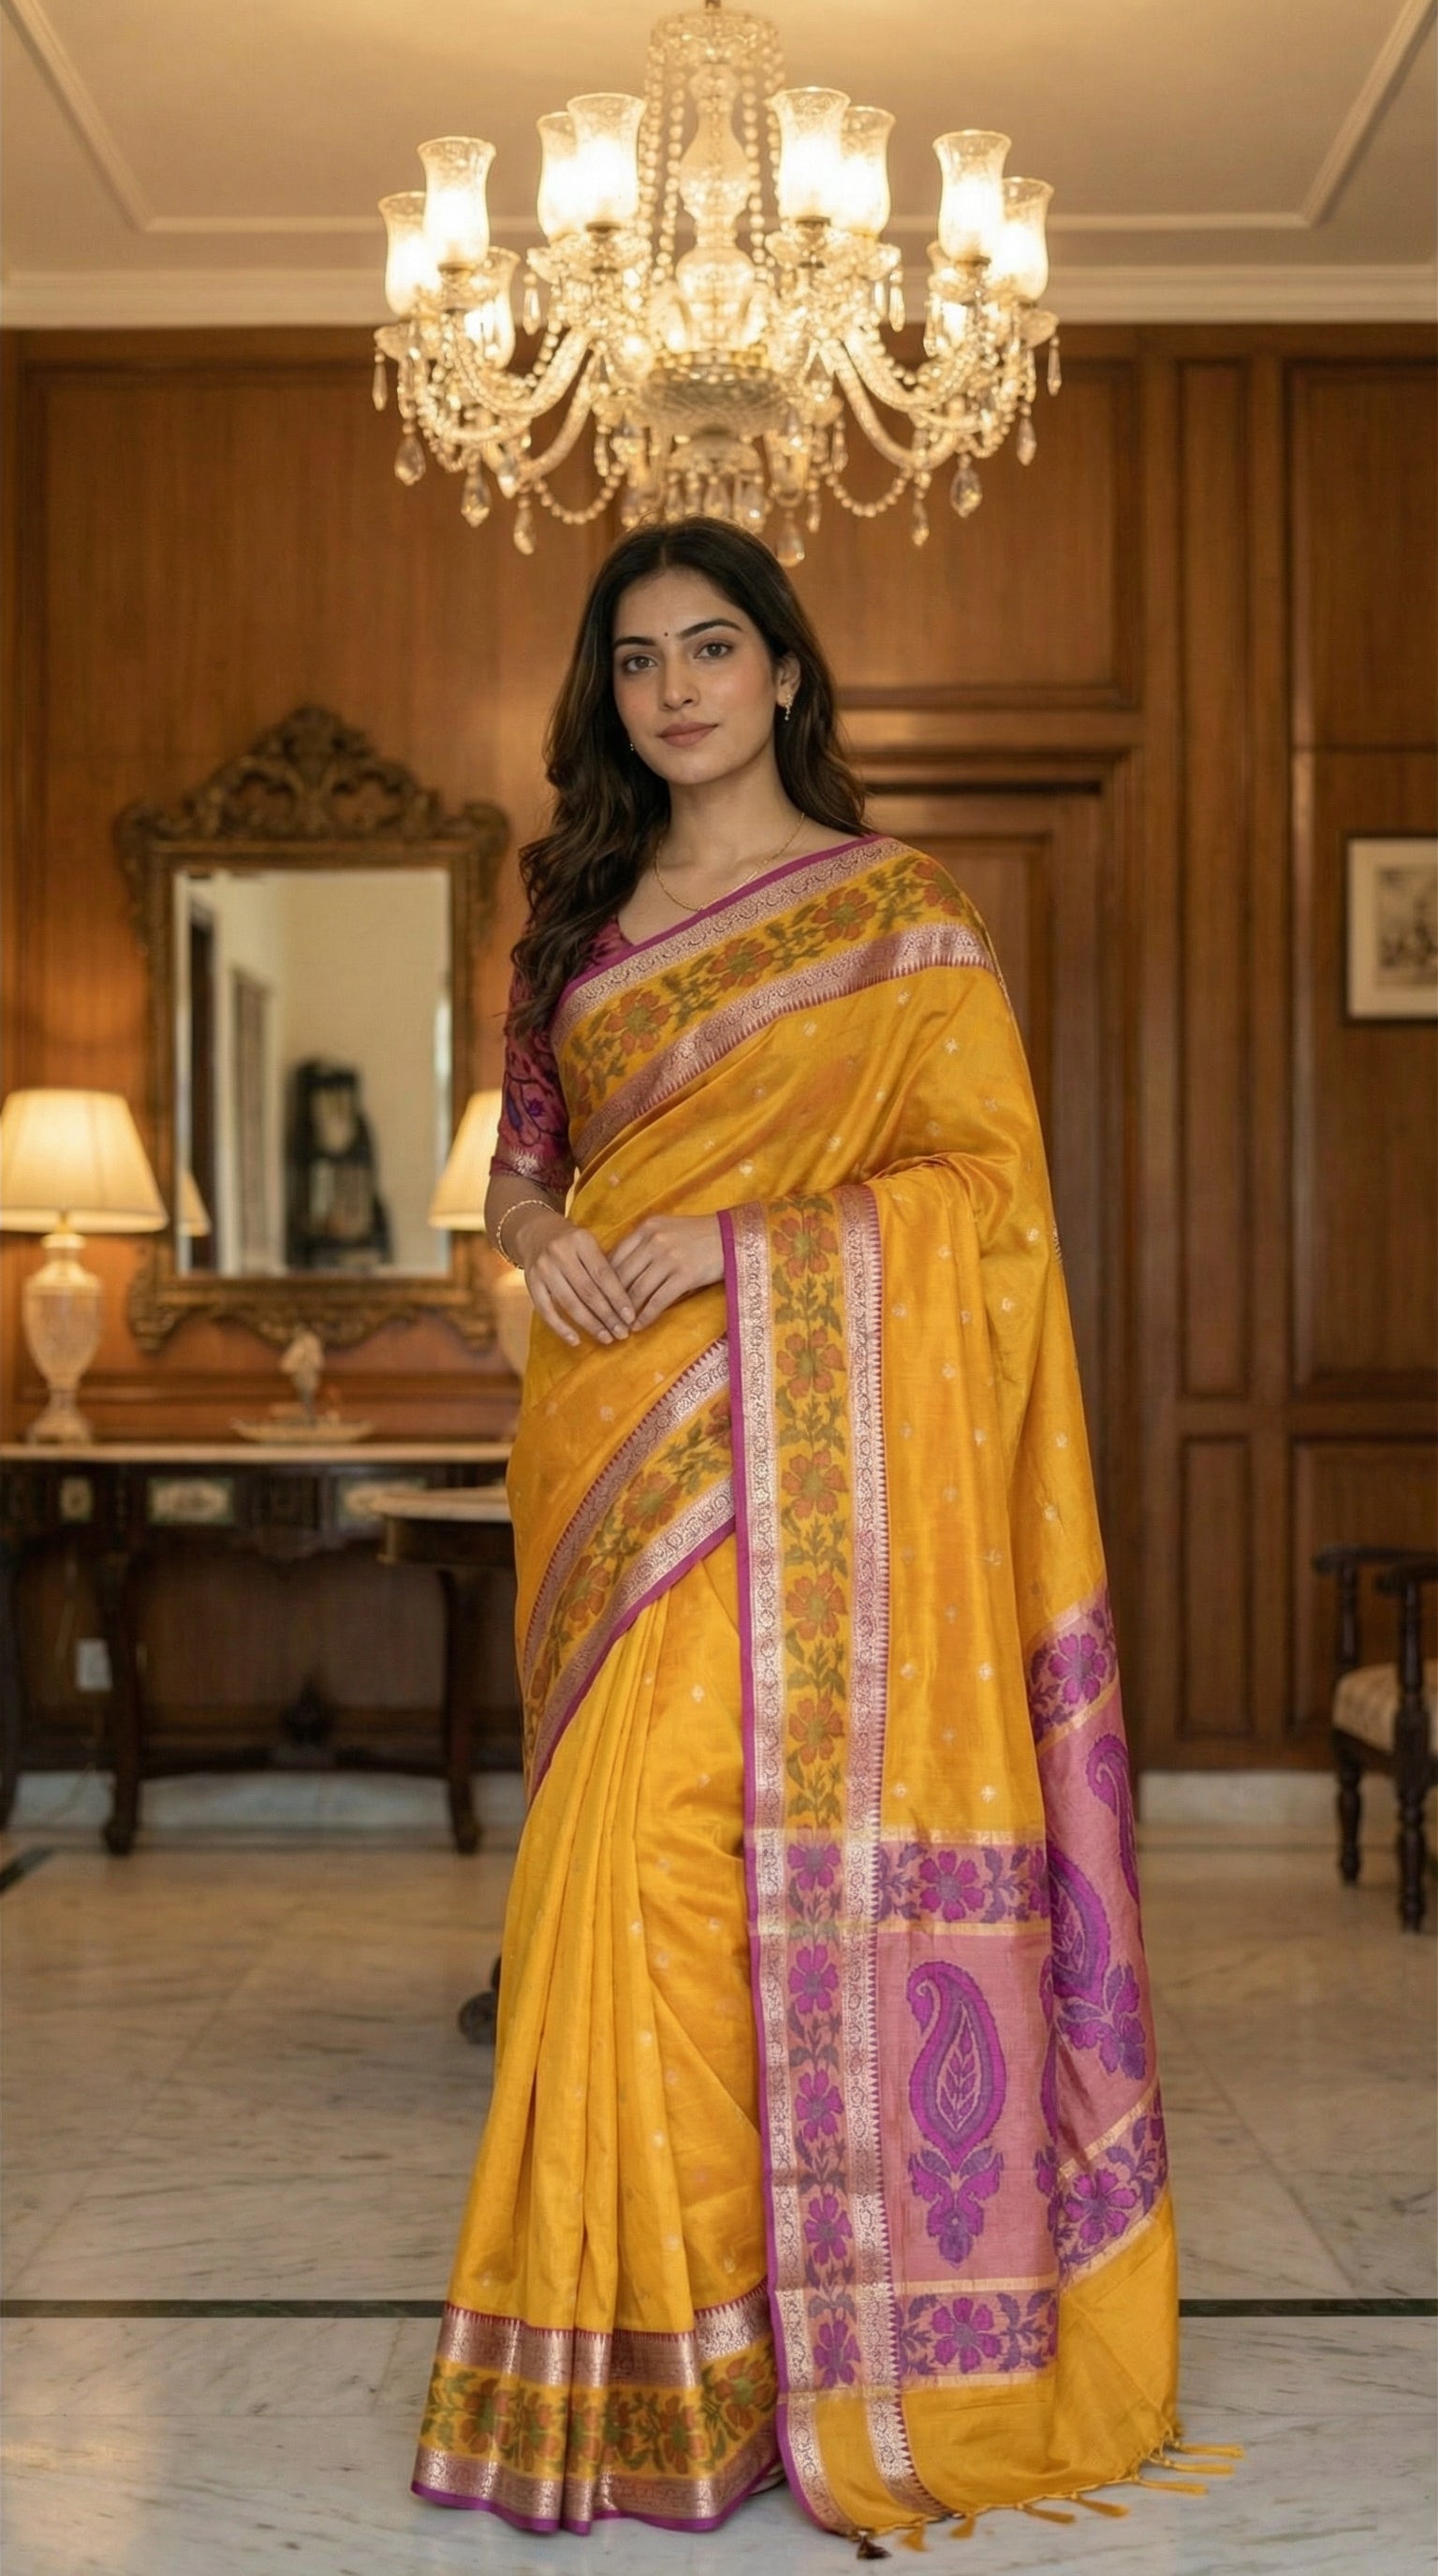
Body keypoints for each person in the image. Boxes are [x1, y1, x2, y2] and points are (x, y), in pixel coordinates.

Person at [413, 518, 1179, 2545]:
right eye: (637, 658)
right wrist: (549, 1234)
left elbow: (986, 1206)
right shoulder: (574, 923)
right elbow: (519, 1168)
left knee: (750, 1879)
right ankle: (661, 2364)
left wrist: (738, 1244)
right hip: (616, 1447)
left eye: (710, 647)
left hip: (814, 1467)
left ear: (783, 672)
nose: (674, 689)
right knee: (629, 1889)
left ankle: (829, 2345)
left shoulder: (900, 918)